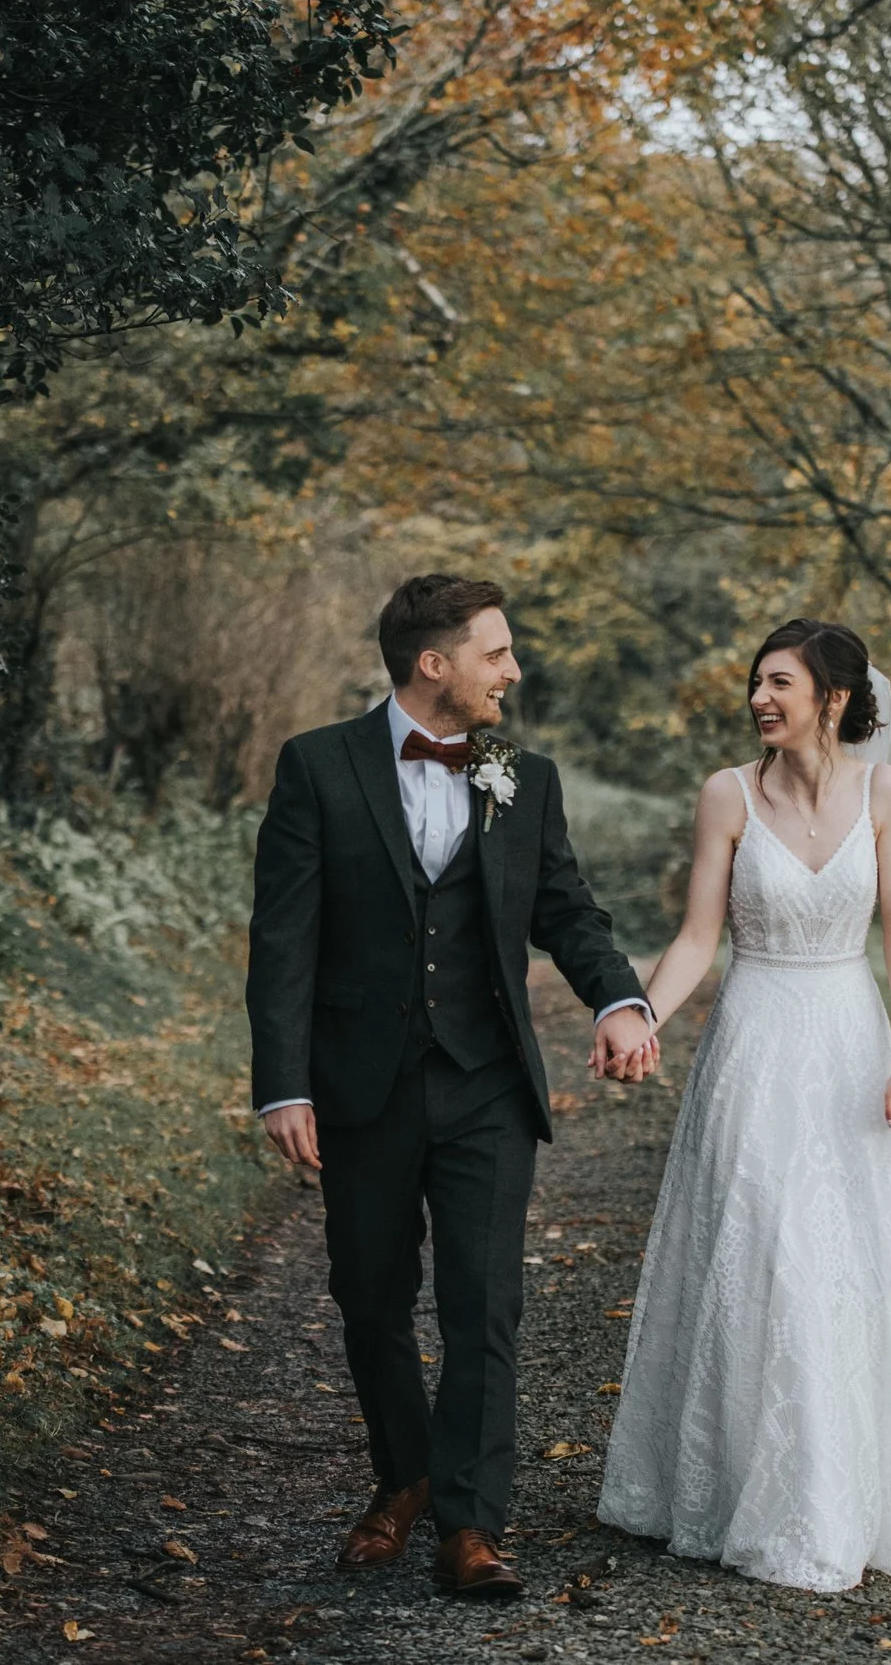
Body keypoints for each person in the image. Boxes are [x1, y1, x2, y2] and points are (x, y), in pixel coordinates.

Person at [247, 574, 659, 1599]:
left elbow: (565, 905)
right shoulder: (317, 766)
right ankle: (406, 1474)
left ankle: (470, 1522)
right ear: (434, 663)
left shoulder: (521, 773)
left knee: (486, 1304)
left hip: (484, 1082)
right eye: (497, 652)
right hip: (360, 1084)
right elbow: (283, 939)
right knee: (370, 1295)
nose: (512, 671)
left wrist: (618, 998)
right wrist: (281, 1085)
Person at [596, 619, 891, 1592]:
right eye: (756, 683)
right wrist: (643, 1017)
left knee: (844, 1262)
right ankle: (757, 1491)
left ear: (834, 697)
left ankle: (841, 1493)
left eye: (779, 682)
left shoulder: (883, 792)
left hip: (851, 1043)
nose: (760, 697)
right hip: (756, 1043)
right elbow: (696, 938)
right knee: (763, 1252)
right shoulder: (727, 794)